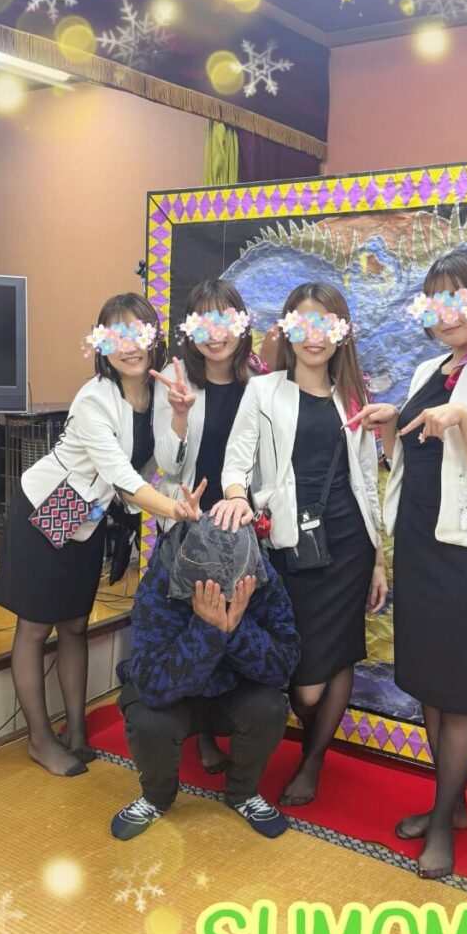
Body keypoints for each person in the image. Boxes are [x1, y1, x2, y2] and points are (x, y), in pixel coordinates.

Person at [349, 251, 467, 879]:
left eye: (458, 297)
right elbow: (413, 457)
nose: (446, 312)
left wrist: (461, 419)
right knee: (431, 684)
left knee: (458, 695)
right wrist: (391, 424)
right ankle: (450, 806)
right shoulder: (430, 367)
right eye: (435, 300)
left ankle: (442, 823)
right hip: (422, 542)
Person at [0, 294, 203, 777]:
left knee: (75, 625)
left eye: (138, 332)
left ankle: (77, 732)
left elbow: (165, 464)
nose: (129, 345)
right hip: (49, 506)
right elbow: (124, 478)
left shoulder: (157, 393)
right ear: (102, 344)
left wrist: (180, 415)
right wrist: (175, 509)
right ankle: (40, 740)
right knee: (34, 627)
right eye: (116, 334)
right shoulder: (94, 398)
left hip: (87, 514)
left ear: (154, 338)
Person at [217, 282, 388, 808]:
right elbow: (236, 461)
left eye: (326, 324)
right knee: (303, 682)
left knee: (337, 656)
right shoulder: (264, 391)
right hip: (288, 544)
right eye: (304, 323)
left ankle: (312, 761)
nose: (315, 336)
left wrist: (378, 559)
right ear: (288, 329)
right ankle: (304, 745)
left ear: (342, 332)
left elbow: (367, 479)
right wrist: (237, 497)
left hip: (349, 545)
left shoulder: (353, 396)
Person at [110, 518, 300, 841]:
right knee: (147, 720)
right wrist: (207, 628)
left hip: (232, 692)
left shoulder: (260, 575)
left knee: (270, 707)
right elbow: (153, 683)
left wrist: (236, 628)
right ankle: (155, 798)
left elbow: (284, 664)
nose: (220, 595)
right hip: (174, 696)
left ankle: (243, 793)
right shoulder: (161, 578)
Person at [150, 278, 268, 773]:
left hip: (240, 524)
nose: (215, 334)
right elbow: (167, 465)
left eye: (225, 320)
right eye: (204, 322)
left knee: (235, 623)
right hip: (189, 522)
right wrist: (179, 417)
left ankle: (232, 726)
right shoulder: (176, 378)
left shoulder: (260, 381)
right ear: (190, 329)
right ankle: (196, 732)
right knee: (191, 625)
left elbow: (268, 458)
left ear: (242, 325)